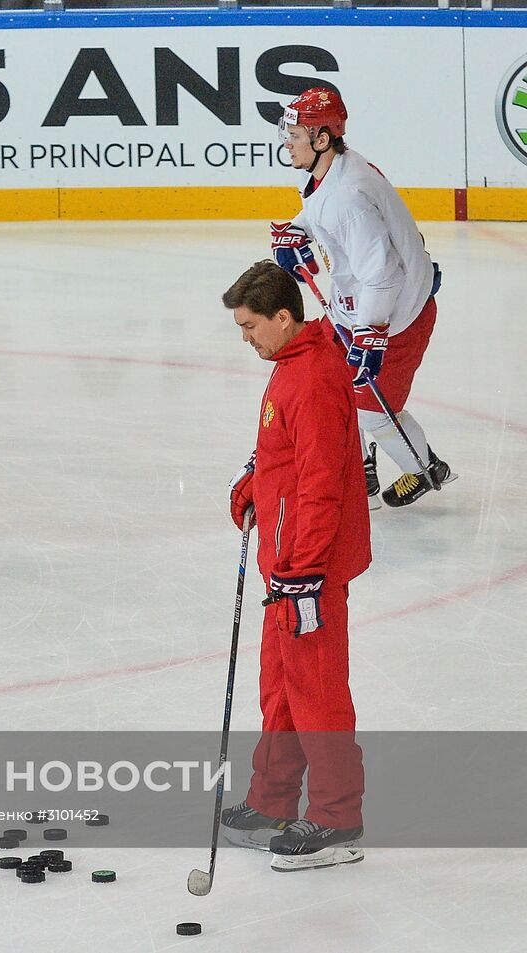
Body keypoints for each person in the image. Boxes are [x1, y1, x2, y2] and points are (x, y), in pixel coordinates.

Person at [222, 261, 371, 872]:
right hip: (283, 564)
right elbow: (286, 457)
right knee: (280, 690)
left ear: (284, 317)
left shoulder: (311, 378)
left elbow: (321, 485)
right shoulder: (288, 367)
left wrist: (304, 571)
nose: (246, 337)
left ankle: (338, 817)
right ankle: (273, 801)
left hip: (307, 570)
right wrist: (255, 480)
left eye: (252, 325)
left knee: (316, 692)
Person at [270, 86, 452, 508]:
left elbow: (382, 276)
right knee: (332, 383)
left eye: (295, 134)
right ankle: (362, 465)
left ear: (321, 139)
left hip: (395, 315)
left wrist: (371, 335)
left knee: (370, 408)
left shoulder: (347, 196)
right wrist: (298, 229)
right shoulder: (329, 171)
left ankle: (423, 468)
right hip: (361, 305)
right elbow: (321, 213)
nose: (288, 142)